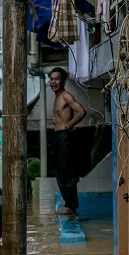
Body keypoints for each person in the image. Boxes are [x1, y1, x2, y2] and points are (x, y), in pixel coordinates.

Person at [49, 67, 87, 215]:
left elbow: (82, 111)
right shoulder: (57, 97)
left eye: (56, 79)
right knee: (60, 170)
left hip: (65, 136)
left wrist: (69, 125)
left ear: (63, 81)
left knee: (67, 171)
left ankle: (70, 206)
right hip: (59, 136)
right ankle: (68, 203)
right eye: (51, 79)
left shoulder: (66, 96)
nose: (53, 82)